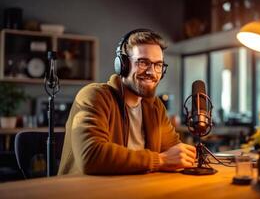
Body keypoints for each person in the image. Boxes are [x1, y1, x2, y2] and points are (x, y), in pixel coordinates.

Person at [58, 29, 196, 175]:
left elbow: (173, 151)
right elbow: (91, 156)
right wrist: (159, 160)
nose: (152, 72)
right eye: (143, 63)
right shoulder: (94, 96)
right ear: (122, 65)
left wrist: (183, 155)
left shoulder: (155, 107)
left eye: (158, 65)